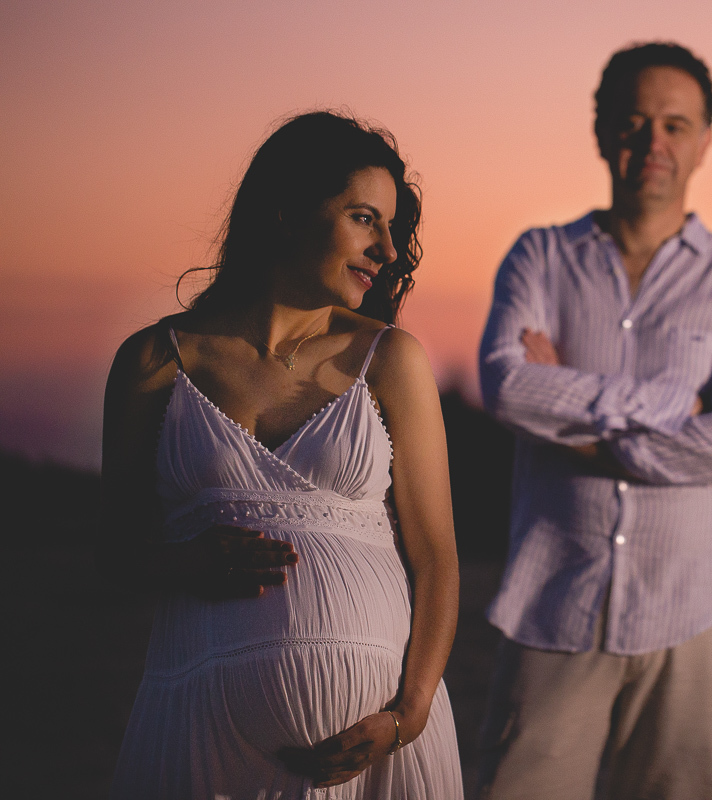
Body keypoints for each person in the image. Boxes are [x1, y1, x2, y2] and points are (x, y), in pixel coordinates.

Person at [102, 111, 463, 798]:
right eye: (364, 219)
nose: (386, 249)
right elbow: (115, 550)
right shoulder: (154, 361)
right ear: (286, 211)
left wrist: (407, 717)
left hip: (376, 745)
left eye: (393, 228)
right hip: (203, 731)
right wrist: (189, 561)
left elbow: (437, 559)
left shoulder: (390, 360)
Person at [475, 42, 712, 800]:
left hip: (698, 612)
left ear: (706, 139)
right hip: (554, 602)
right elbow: (509, 388)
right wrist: (674, 410)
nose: (655, 143)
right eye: (635, 122)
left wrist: (582, 423)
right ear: (599, 131)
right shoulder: (540, 256)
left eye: (676, 125)